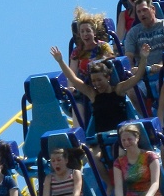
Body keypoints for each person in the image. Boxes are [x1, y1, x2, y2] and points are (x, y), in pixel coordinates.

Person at [50, 45, 149, 182]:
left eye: (99, 80)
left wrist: (143, 58)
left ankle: (127, 183)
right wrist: (60, 61)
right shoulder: (92, 94)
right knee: (93, 157)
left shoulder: (118, 90)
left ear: (108, 77)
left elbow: (137, 77)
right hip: (101, 137)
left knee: (119, 152)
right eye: (94, 81)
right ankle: (110, 185)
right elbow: (73, 78)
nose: (97, 84)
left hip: (120, 135)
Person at [122, 0, 164, 76]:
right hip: (142, 76)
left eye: (145, 10)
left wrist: (162, 64)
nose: (142, 14)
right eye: (139, 12)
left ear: (153, 9)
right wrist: (132, 69)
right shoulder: (133, 32)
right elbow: (129, 56)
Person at [70, 8, 115, 77]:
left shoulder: (103, 46)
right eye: (82, 31)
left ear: (94, 33)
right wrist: (71, 87)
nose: (85, 34)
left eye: (88, 31)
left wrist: (99, 61)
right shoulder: (76, 52)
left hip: (104, 79)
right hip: (84, 84)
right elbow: (72, 74)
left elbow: (111, 58)